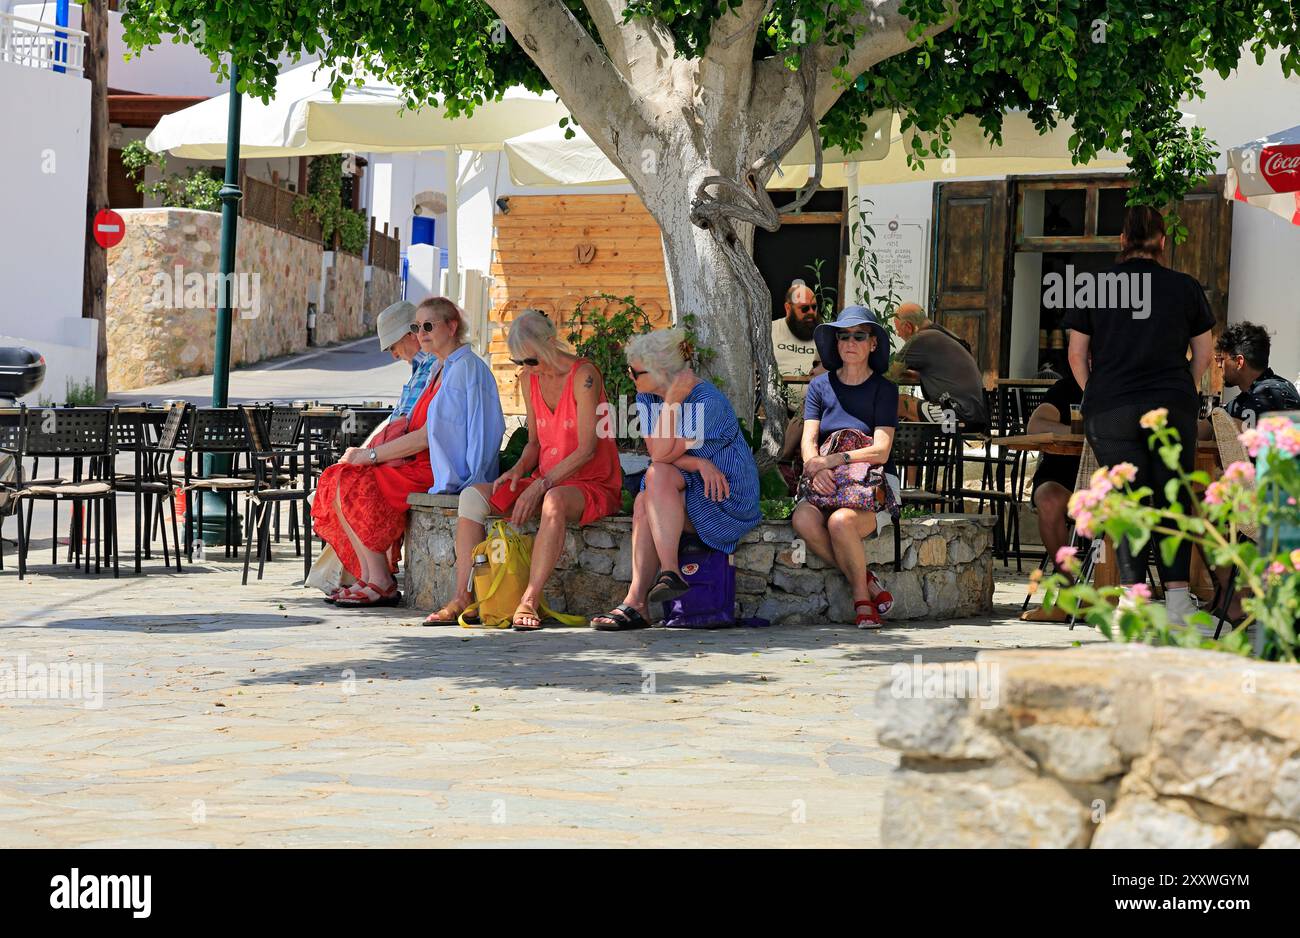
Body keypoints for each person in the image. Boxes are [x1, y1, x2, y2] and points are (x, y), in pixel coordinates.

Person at [1064, 206, 1215, 626]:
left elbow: (1076, 354)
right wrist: (1185, 386)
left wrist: (1094, 391)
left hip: (1110, 407)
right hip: (1170, 402)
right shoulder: (1184, 287)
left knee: (1130, 500)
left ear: (1122, 242)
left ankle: (1132, 597)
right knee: (1172, 498)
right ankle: (1180, 601)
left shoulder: (1094, 286)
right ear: (1163, 242)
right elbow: (1203, 353)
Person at [426, 309, 622, 630]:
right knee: (473, 497)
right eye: (520, 363)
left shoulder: (585, 375)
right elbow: (533, 443)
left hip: (590, 482)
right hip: (545, 480)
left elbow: (587, 449)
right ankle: (463, 596)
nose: (528, 369)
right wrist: (518, 471)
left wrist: (540, 485)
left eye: (531, 360)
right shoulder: (531, 379)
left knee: (554, 501)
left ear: (549, 342)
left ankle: (529, 599)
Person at [314, 297, 501, 607]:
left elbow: (431, 437)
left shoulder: (463, 369)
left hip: (437, 468)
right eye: (417, 327)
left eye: (428, 326)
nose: (422, 333)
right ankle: (372, 577)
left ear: (452, 327)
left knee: (351, 480)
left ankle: (380, 580)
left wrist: (372, 456)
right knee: (339, 478)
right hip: (424, 462)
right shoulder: (440, 368)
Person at [590, 328, 761, 631]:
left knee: (653, 483)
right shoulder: (647, 396)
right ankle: (644, 595)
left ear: (661, 372)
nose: (630, 376)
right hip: (683, 487)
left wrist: (673, 402)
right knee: (646, 496)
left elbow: (660, 455)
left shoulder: (706, 401)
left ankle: (649, 591)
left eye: (635, 371)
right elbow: (660, 452)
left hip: (725, 498)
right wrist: (696, 461)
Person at [791, 306, 900, 629]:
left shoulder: (885, 390)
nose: (850, 342)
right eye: (843, 336)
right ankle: (866, 579)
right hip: (827, 482)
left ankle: (861, 599)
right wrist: (816, 467)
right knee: (803, 518)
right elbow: (808, 439)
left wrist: (834, 460)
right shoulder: (820, 387)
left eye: (859, 336)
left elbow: (881, 450)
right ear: (836, 343)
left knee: (840, 522)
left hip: (870, 485)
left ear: (873, 344)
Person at [1020, 368, 1083, 622]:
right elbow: (1035, 425)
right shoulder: (1066, 389)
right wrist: (1079, 432)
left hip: (1106, 482)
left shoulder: (1121, 387)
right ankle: (1069, 591)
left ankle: (1101, 594)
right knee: (1047, 498)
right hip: (1061, 478)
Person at [888, 303, 989, 431]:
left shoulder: (920, 339)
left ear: (908, 327)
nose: (897, 335)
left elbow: (889, 374)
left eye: (897, 330)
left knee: (899, 403)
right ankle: (916, 449)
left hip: (958, 416)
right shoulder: (944, 334)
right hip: (976, 417)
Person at [1197, 322, 1300, 439]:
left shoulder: (1274, 392)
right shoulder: (1243, 399)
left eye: (1221, 359)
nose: (1219, 365)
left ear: (1239, 362)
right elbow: (1202, 430)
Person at [771, 280, 824, 459]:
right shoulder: (771, 331)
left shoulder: (824, 334)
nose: (811, 313)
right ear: (788, 308)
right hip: (779, 410)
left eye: (814, 307)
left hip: (817, 410)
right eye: (804, 309)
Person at [376, 299, 438, 424]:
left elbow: (402, 424)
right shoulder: (422, 365)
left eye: (393, 347)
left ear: (411, 334)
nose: (395, 356)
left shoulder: (430, 365)